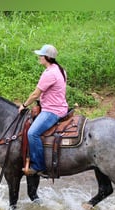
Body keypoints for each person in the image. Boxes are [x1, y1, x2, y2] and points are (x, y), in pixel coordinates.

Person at [18, 44, 68, 177]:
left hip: (52, 110)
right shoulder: (59, 69)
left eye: (41, 55)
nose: (39, 57)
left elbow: (35, 94)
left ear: (47, 57)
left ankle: (39, 166)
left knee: (32, 133)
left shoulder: (50, 73)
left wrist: (24, 105)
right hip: (59, 106)